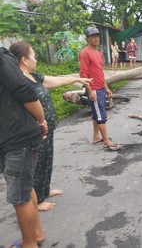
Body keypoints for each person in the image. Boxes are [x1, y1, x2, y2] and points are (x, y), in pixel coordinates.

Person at [9, 41, 92, 212]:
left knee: (47, 160)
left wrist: (77, 78)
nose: (36, 60)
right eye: (34, 56)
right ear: (24, 59)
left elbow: (54, 81)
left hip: (49, 126)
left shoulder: (34, 76)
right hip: (36, 131)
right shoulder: (18, 80)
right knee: (37, 165)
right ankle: (38, 200)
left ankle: (44, 190)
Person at [0, 47, 48, 248]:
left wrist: (41, 119)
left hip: (17, 139)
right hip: (9, 137)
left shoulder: (2, 59)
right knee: (25, 190)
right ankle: (35, 234)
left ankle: (30, 244)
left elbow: (25, 90)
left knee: (20, 197)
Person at [79, 26, 121, 151]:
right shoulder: (84, 53)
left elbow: (100, 72)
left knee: (96, 114)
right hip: (94, 89)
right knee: (101, 115)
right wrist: (90, 91)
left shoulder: (98, 53)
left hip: (101, 88)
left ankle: (96, 136)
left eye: (97, 36)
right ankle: (106, 141)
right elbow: (83, 75)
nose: (96, 38)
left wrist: (106, 88)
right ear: (88, 39)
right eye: (93, 36)